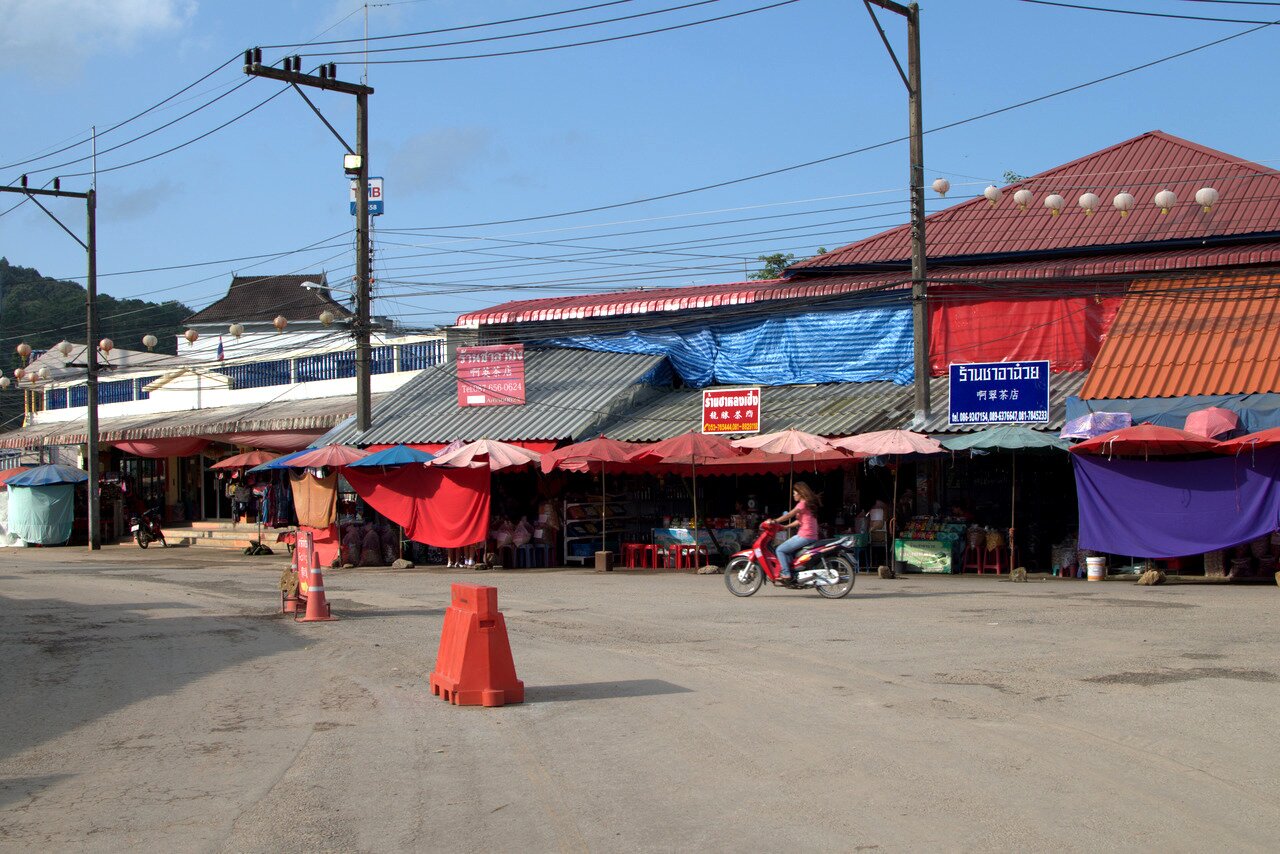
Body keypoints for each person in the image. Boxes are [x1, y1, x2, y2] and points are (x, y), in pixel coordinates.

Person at [773, 482, 821, 581]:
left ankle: (786, 573)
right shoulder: (808, 504)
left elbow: (789, 515)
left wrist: (774, 521)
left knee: (780, 550)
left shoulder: (802, 504)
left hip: (804, 536)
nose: (794, 495)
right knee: (789, 552)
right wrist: (786, 527)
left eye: (795, 493)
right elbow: (799, 521)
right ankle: (793, 572)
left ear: (800, 493)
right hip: (811, 536)